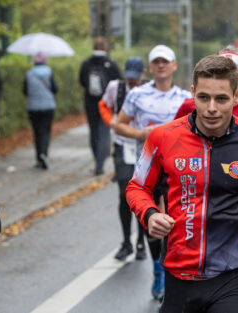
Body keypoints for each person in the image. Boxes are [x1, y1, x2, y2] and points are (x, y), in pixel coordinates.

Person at [126, 54, 238, 313]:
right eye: (203, 98)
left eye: (221, 99)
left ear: (237, 97)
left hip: (231, 274)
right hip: (178, 274)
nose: (211, 108)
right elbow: (137, 187)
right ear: (193, 93)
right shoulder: (161, 137)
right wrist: (150, 214)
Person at [114, 44, 191, 301]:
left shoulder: (184, 98)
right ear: (150, 67)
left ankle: (173, 272)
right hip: (147, 167)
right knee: (153, 223)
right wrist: (139, 134)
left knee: (176, 222)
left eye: (165, 61)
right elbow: (118, 124)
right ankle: (159, 270)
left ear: (174, 66)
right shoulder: (137, 95)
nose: (161, 65)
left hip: (177, 170)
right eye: (156, 62)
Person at [174, 46, 238, 230]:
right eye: (222, 69)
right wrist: (156, 210)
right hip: (190, 205)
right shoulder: (189, 106)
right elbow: (170, 151)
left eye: (235, 70)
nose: (211, 108)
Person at [98, 56, 148, 261]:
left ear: (142, 75)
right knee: (125, 195)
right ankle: (127, 241)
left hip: (144, 147)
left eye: (135, 78)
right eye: (129, 78)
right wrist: (111, 122)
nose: (131, 82)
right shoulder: (115, 86)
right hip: (122, 146)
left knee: (144, 196)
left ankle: (141, 242)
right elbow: (103, 105)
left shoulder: (148, 90)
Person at [79, 37, 121, 175]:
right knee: (104, 133)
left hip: (90, 102)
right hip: (106, 103)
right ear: (105, 48)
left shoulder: (86, 63)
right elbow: (118, 82)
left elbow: (82, 81)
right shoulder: (110, 63)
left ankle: (97, 159)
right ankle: (99, 165)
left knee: (93, 132)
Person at [23, 52, 58, 169]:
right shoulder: (49, 72)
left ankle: (39, 157)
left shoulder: (29, 74)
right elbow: (55, 89)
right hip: (48, 106)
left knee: (37, 131)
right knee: (46, 131)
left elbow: (25, 91)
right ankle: (44, 154)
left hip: (33, 107)